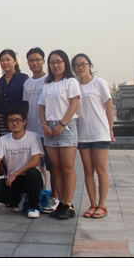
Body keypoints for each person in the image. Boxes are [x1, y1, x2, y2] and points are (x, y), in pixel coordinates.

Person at [38, 49, 81, 220]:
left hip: (66, 127)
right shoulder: (47, 84)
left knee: (68, 167)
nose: (55, 65)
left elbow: (74, 104)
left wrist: (62, 124)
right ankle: (61, 202)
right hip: (50, 128)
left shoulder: (71, 82)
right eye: (52, 62)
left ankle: (69, 204)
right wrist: (44, 125)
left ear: (65, 63)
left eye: (59, 62)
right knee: (56, 169)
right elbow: (41, 107)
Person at [73, 53, 115, 219]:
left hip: (100, 133)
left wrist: (110, 128)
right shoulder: (75, 86)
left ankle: (102, 205)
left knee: (100, 169)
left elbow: (109, 107)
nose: (80, 68)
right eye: (77, 65)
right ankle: (92, 204)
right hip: (83, 134)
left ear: (89, 65)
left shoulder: (99, 83)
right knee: (88, 170)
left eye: (83, 64)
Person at [0, 106, 43, 219]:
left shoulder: (33, 137)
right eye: (11, 120)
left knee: (32, 173)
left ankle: (34, 206)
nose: (14, 123)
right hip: (13, 181)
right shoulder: (4, 139)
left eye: (18, 120)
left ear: (24, 122)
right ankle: (18, 200)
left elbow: (35, 161)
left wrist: (15, 174)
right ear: (7, 123)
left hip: (30, 179)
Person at [23, 47, 58, 214]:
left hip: (47, 131)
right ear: (27, 63)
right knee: (36, 167)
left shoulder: (50, 80)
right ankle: (39, 195)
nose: (34, 63)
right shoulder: (27, 83)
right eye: (31, 60)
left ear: (43, 61)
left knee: (52, 167)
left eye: (38, 59)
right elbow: (26, 106)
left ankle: (55, 198)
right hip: (32, 131)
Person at [0, 49, 29, 142]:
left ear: (15, 61)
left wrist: (25, 121)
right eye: (2, 60)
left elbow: (26, 103)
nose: (5, 63)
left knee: (18, 145)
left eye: (8, 60)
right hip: (2, 121)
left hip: (18, 121)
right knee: (2, 146)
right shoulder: (1, 81)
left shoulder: (23, 78)